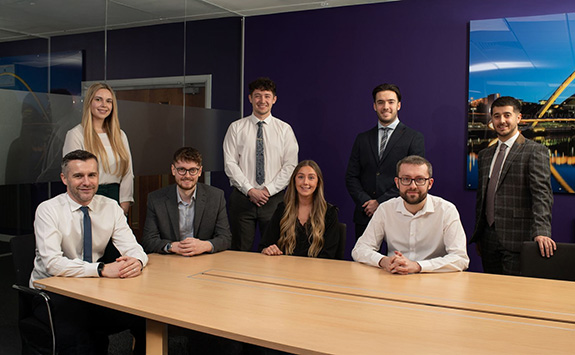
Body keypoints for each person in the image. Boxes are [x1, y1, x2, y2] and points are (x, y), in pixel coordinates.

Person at [30, 150, 148, 354]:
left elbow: (134, 247)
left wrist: (136, 261)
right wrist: (101, 270)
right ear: (64, 179)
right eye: (78, 176)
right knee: (83, 339)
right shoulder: (48, 210)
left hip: (93, 290)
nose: (86, 182)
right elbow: (53, 264)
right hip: (52, 293)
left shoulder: (110, 207)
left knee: (147, 319)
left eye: (91, 175)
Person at [471, 96, 554, 275]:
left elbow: (542, 195)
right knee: (489, 295)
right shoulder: (485, 155)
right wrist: (479, 234)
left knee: (513, 295)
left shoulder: (535, 151)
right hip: (487, 240)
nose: (502, 121)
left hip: (517, 238)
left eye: (507, 115)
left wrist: (542, 231)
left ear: (518, 118)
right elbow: (483, 196)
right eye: (496, 116)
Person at [352, 155, 469, 274]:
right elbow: (360, 249)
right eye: (406, 179)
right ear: (397, 183)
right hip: (394, 277)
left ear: (430, 183)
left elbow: (460, 258)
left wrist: (418, 266)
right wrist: (384, 261)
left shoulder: (446, 210)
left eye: (420, 179)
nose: (413, 186)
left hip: (433, 280)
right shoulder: (386, 209)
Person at [223, 77, 299, 251]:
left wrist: (267, 191)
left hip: (274, 200)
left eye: (266, 96)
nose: (262, 101)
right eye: (257, 96)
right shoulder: (236, 128)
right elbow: (230, 163)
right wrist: (250, 189)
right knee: (240, 252)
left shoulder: (285, 130)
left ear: (274, 99)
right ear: (250, 98)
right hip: (242, 199)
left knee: (276, 250)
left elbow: (290, 166)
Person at [346, 83, 425, 239]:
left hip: (399, 213)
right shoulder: (362, 139)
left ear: (399, 105)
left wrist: (380, 203)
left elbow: (413, 179)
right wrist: (367, 202)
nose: (385, 106)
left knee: (397, 262)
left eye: (390, 102)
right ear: (374, 106)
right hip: (365, 214)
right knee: (363, 262)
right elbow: (351, 177)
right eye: (380, 102)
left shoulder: (414, 138)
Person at [142, 147, 232, 255]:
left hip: (204, 260)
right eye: (182, 170)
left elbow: (225, 238)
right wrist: (171, 246)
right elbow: (148, 241)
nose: (187, 176)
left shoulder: (216, 197)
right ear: (173, 170)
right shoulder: (156, 199)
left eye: (192, 170)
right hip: (170, 260)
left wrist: (205, 245)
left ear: (199, 171)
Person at [63, 82, 133, 215]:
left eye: (109, 101)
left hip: (115, 198)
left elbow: (128, 173)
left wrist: (124, 204)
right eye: (98, 99)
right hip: (88, 197)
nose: (104, 105)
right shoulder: (76, 134)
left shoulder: (120, 135)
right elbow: (72, 174)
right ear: (89, 102)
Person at [259, 160, 340, 259]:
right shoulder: (283, 209)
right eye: (301, 177)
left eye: (311, 178)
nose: (305, 182)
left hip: (316, 272)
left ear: (318, 182)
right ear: (294, 181)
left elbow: (329, 255)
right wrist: (268, 250)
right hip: (284, 270)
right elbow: (265, 245)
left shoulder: (329, 213)